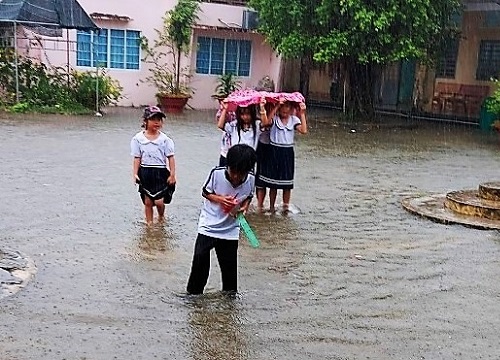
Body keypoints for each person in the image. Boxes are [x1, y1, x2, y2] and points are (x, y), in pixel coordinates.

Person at [186, 144, 257, 295]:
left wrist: (244, 208)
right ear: (228, 166)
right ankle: (193, 295)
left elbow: (249, 197)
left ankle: (229, 303)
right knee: (200, 259)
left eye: (241, 174)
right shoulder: (217, 174)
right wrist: (221, 199)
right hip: (209, 225)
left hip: (230, 229)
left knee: (229, 268)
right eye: (234, 172)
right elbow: (205, 192)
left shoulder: (251, 179)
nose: (236, 177)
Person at [130, 105, 176, 226]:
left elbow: (170, 157)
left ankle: (161, 216)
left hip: (160, 172)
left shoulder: (165, 140)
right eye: (153, 119)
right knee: (148, 202)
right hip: (145, 172)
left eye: (159, 120)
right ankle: (149, 224)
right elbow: (137, 157)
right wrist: (135, 173)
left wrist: (172, 175)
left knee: (159, 201)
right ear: (145, 121)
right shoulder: (138, 139)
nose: (157, 122)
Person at [260, 99, 308, 213]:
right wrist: (276, 107)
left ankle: (285, 207)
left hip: (287, 152)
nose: (284, 109)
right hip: (274, 151)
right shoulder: (275, 119)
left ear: (291, 109)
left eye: (287, 106)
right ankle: (271, 207)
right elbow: (266, 123)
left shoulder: (294, 120)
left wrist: (302, 113)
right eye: (282, 106)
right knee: (273, 182)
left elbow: (304, 131)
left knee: (287, 183)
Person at [216, 98, 266, 165]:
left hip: (248, 158)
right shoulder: (234, 125)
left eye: (248, 114)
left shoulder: (256, 125)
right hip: (235, 157)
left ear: (252, 113)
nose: (245, 117)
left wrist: (262, 107)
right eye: (242, 114)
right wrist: (225, 109)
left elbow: (265, 123)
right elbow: (220, 125)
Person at [215, 100, 236, 167]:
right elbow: (220, 125)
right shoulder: (228, 124)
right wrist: (225, 109)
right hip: (225, 151)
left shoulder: (236, 121)